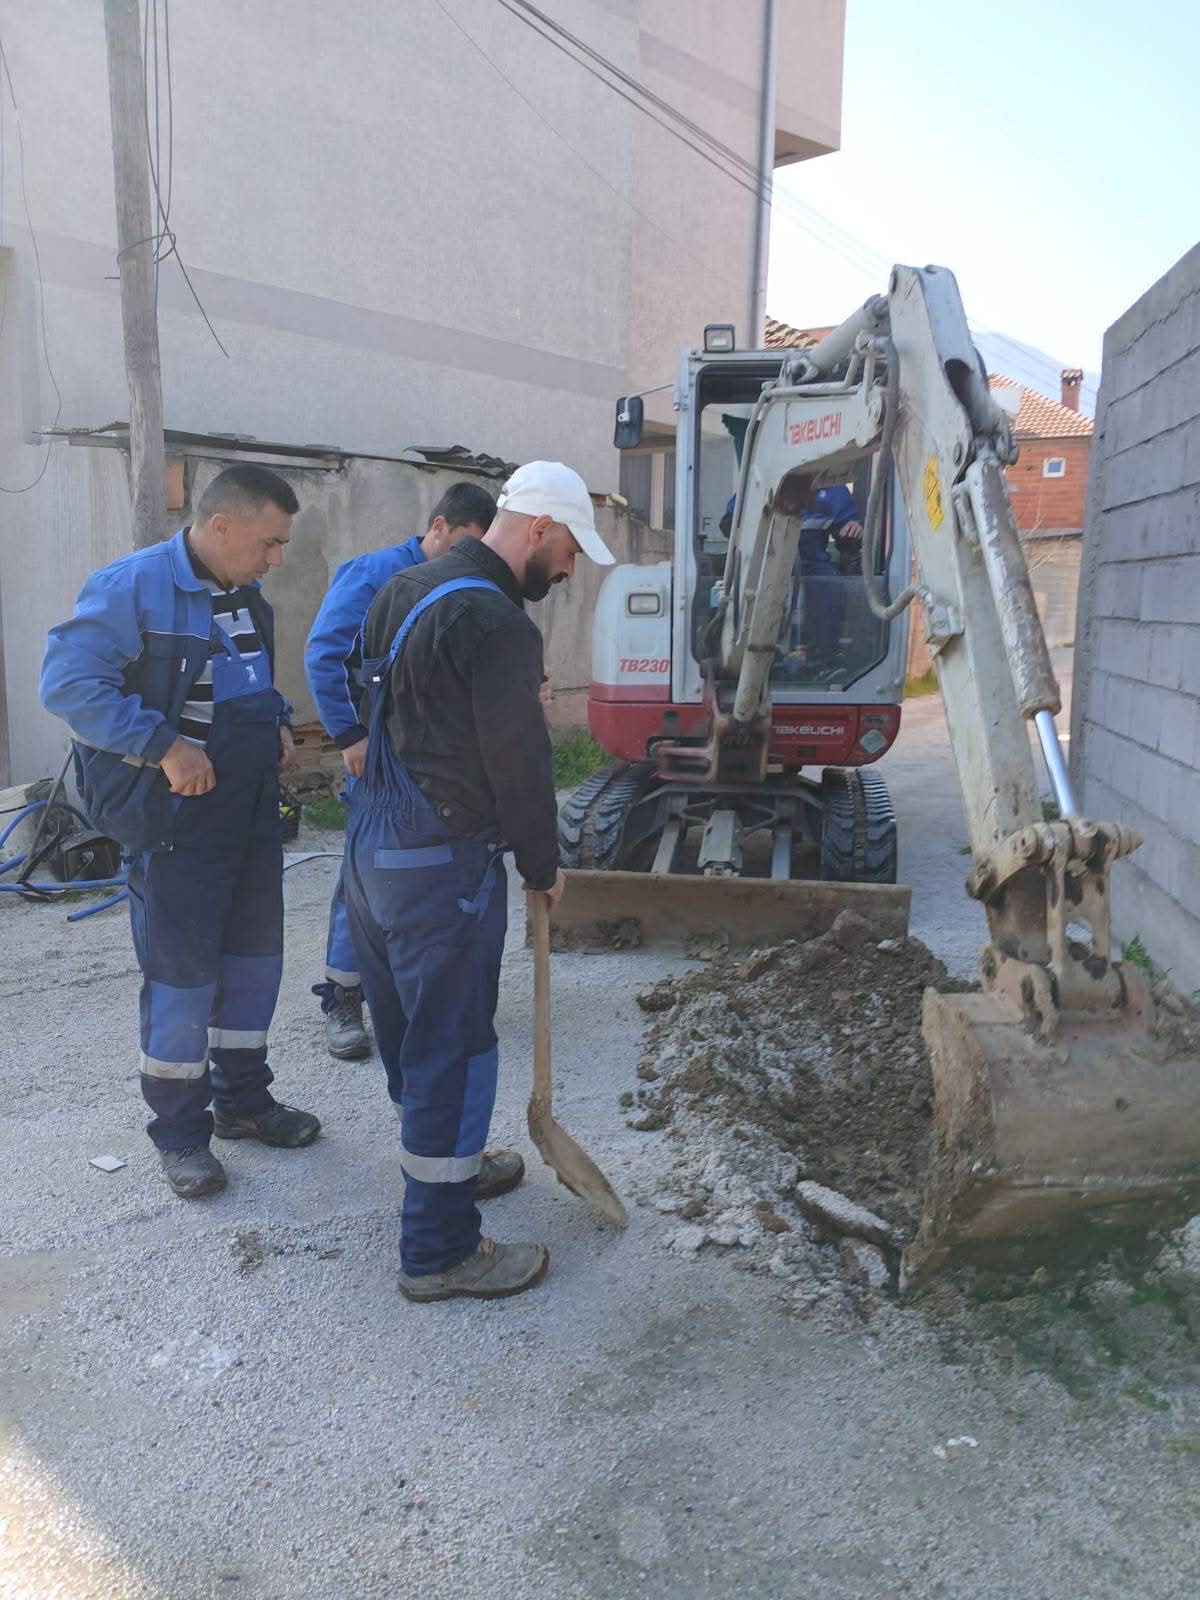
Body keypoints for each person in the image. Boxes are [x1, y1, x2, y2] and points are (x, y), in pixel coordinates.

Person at [344, 460, 614, 1303]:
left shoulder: (404, 589)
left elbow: (360, 686)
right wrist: (541, 863)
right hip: (440, 867)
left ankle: (446, 1172)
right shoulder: (498, 624)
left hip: (374, 852)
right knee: (454, 1052)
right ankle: (439, 1250)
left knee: (410, 1038)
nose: (568, 570)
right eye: (569, 551)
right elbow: (519, 762)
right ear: (539, 528)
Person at [40, 465, 321, 1200]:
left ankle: (243, 1102)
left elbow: (243, 676)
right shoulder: (131, 587)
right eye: (269, 542)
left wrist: (277, 719)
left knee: (253, 967)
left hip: (249, 815)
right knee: (183, 980)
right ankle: (180, 1136)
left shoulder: (244, 591)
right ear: (221, 525)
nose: (275, 559)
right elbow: (68, 685)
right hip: (178, 821)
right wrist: (163, 746)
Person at [304, 482, 497, 1060]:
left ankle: (419, 993)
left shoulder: (466, 584)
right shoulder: (376, 576)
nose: (470, 557)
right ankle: (343, 996)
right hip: (380, 758)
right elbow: (325, 654)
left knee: (429, 880)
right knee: (364, 881)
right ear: (437, 527)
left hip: (437, 769)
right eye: (464, 543)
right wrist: (349, 734)